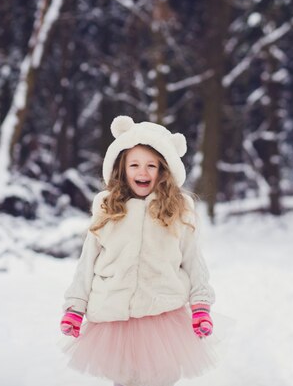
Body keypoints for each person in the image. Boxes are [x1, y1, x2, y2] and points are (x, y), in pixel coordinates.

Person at [60, 115, 217, 386]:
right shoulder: (107, 207)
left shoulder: (178, 210)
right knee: (124, 379)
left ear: (163, 170)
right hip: (115, 317)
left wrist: (201, 304)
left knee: (162, 378)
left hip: (162, 318)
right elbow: (87, 262)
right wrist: (76, 306)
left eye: (150, 165)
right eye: (134, 165)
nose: (142, 172)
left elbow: (193, 261)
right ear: (122, 168)